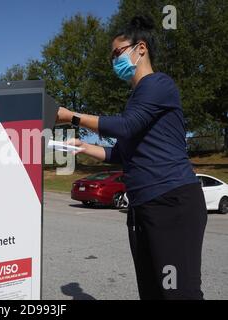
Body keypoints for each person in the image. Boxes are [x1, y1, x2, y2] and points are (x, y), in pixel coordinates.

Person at [56, 15, 208, 300]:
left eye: (117, 53)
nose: (114, 61)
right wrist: (86, 148)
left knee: (176, 292)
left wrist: (72, 117)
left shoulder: (157, 84)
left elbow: (126, 126)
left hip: (171, 203)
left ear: (141, 48)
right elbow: (123, 153)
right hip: (144, 205)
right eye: (111, 57)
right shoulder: (137, 99)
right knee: (152, 292)